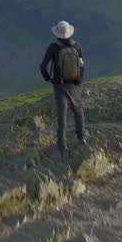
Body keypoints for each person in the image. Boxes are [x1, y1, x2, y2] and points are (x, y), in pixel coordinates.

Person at [39, 20, 87, 155]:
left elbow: (43, 66)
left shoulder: (53, 47)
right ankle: (82, 137)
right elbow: (82, 65)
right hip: (73, 84)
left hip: (59, 85)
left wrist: (49, 79)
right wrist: (79, 80)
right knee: (78, 111)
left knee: (62, 115)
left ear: (57, 34)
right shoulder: (77, 46)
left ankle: (62, 146)